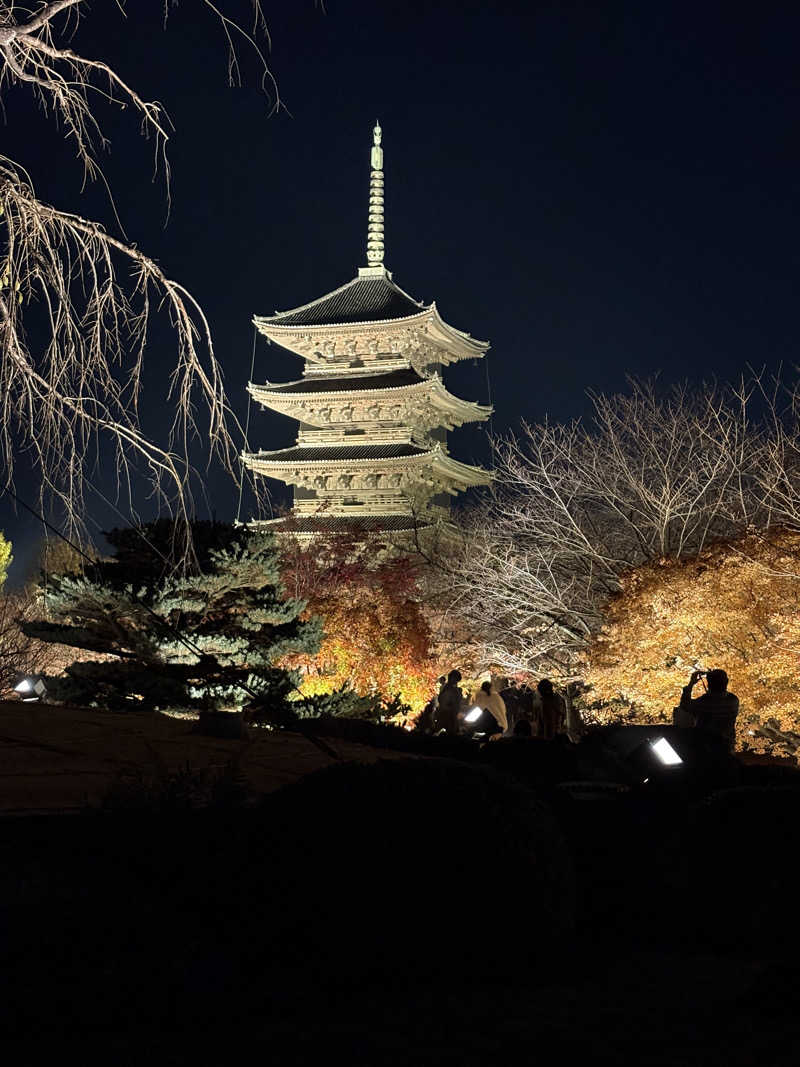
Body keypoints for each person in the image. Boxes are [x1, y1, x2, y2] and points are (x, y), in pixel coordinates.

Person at [679, 669, 739, 752]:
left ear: (708, 684)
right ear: (727, 682)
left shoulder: (704, 702)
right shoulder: (733, 700)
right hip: (726, 747)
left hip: (705, 747)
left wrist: (691, 684)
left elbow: (685, 705)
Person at [434, 670, 463, 736]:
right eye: (456, 680)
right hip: (447, 715)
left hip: (451, 715)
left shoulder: (452, 688)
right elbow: (444, 702)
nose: (456, 682)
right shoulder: (448, 689)